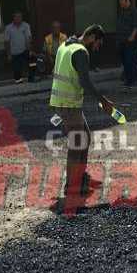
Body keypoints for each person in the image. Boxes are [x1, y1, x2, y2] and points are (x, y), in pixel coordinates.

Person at [48, 24, 115, 200]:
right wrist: (104, 101)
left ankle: (79, 177)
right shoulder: (80, 52)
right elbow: (85, 82)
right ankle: (72, 186)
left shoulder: (65, 45)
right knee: (77, 143)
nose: (97, 48)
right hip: (68, 104)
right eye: (98, 43)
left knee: (84, 137)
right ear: (92, 36)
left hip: (64, 102)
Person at [117, 0, 137, 88]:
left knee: (130, 60)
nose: (120, 2)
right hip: (122, 40)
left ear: (127, 0)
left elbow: (136, 25)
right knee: (125, 61)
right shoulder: (122, 11)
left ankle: (134, 80)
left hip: (130, 40)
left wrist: (132, 36)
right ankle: (128, 80)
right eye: (120, 0)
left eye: (122, 0)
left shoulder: (133, 11)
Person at [4, 12, 32, 83]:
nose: (18, 18)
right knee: (17, 69)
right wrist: (8, 54)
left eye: (20, 17)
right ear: (13, 18)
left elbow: (28, 38)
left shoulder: (26, 26)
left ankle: (31, 78)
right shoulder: (8, 28)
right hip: (14, 52)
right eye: (16, 17)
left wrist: (30, 50)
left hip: (24, 50)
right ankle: (19, 82)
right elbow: (7, 42)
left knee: (31, 63)